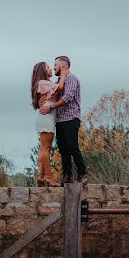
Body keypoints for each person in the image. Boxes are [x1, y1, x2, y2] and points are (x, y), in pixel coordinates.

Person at [39, 55, 87, 185]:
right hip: (60, 120)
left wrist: (51, 107)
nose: (54, 67)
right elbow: (52, 93)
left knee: (73, 146)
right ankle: (67, 176)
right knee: (63, 149)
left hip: (71, 118)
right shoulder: (58, 82)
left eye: (55, 65)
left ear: (63, 66)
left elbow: (67, 97)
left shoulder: (71, 79)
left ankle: (82, 174)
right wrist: (43, 99)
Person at [30, 61, 64, 186]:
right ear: (42, 71)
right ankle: (49, 177)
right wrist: (64, 73)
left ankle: (41, 176)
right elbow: (60, 87)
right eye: (48, 67)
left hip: (46, 116)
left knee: (44, 147)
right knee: (46, 148)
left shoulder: (45, 83)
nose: (51, 69)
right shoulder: (43, 83)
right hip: (46, 117)